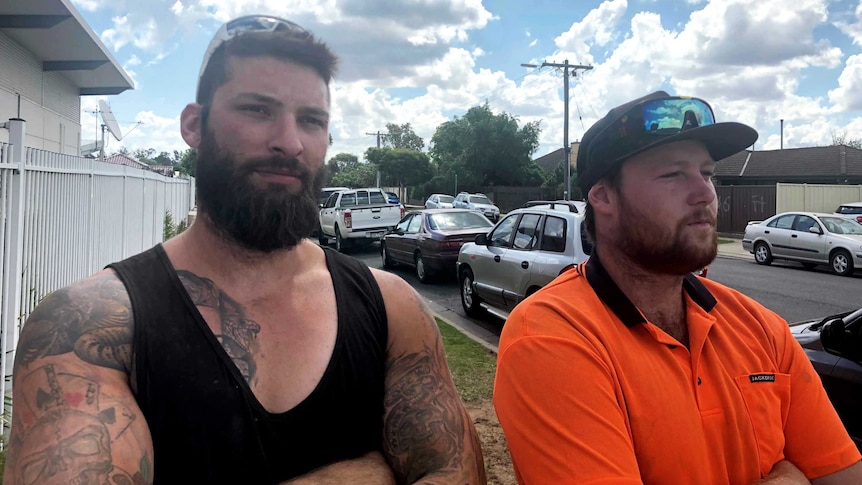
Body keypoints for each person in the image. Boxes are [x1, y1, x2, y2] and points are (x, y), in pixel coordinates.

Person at [4, 15, 485, 485]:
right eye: (257, 109)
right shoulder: (88, 327)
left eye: (312, 120)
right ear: (194, 125)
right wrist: (363, 473)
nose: (290, 142)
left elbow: (456, 471)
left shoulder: (390, 307)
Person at [493, 91, 862, 484]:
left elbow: (843, 475)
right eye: (673, 174)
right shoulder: (551, 337)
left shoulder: (761, 328)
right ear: (603, 195)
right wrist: (787, 478)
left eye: (707, 173)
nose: (705, 193)